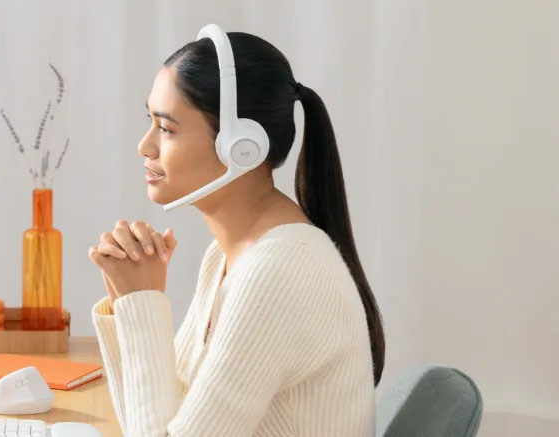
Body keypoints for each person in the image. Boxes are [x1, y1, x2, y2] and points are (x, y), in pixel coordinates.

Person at [87, 30, 385, 437]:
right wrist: (125, 299)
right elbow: (159, 421)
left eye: (167, 129)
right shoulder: (228, 257)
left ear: (240, 146)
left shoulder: (279, 270)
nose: (145, 146)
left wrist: (143, 301)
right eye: (150, 123)